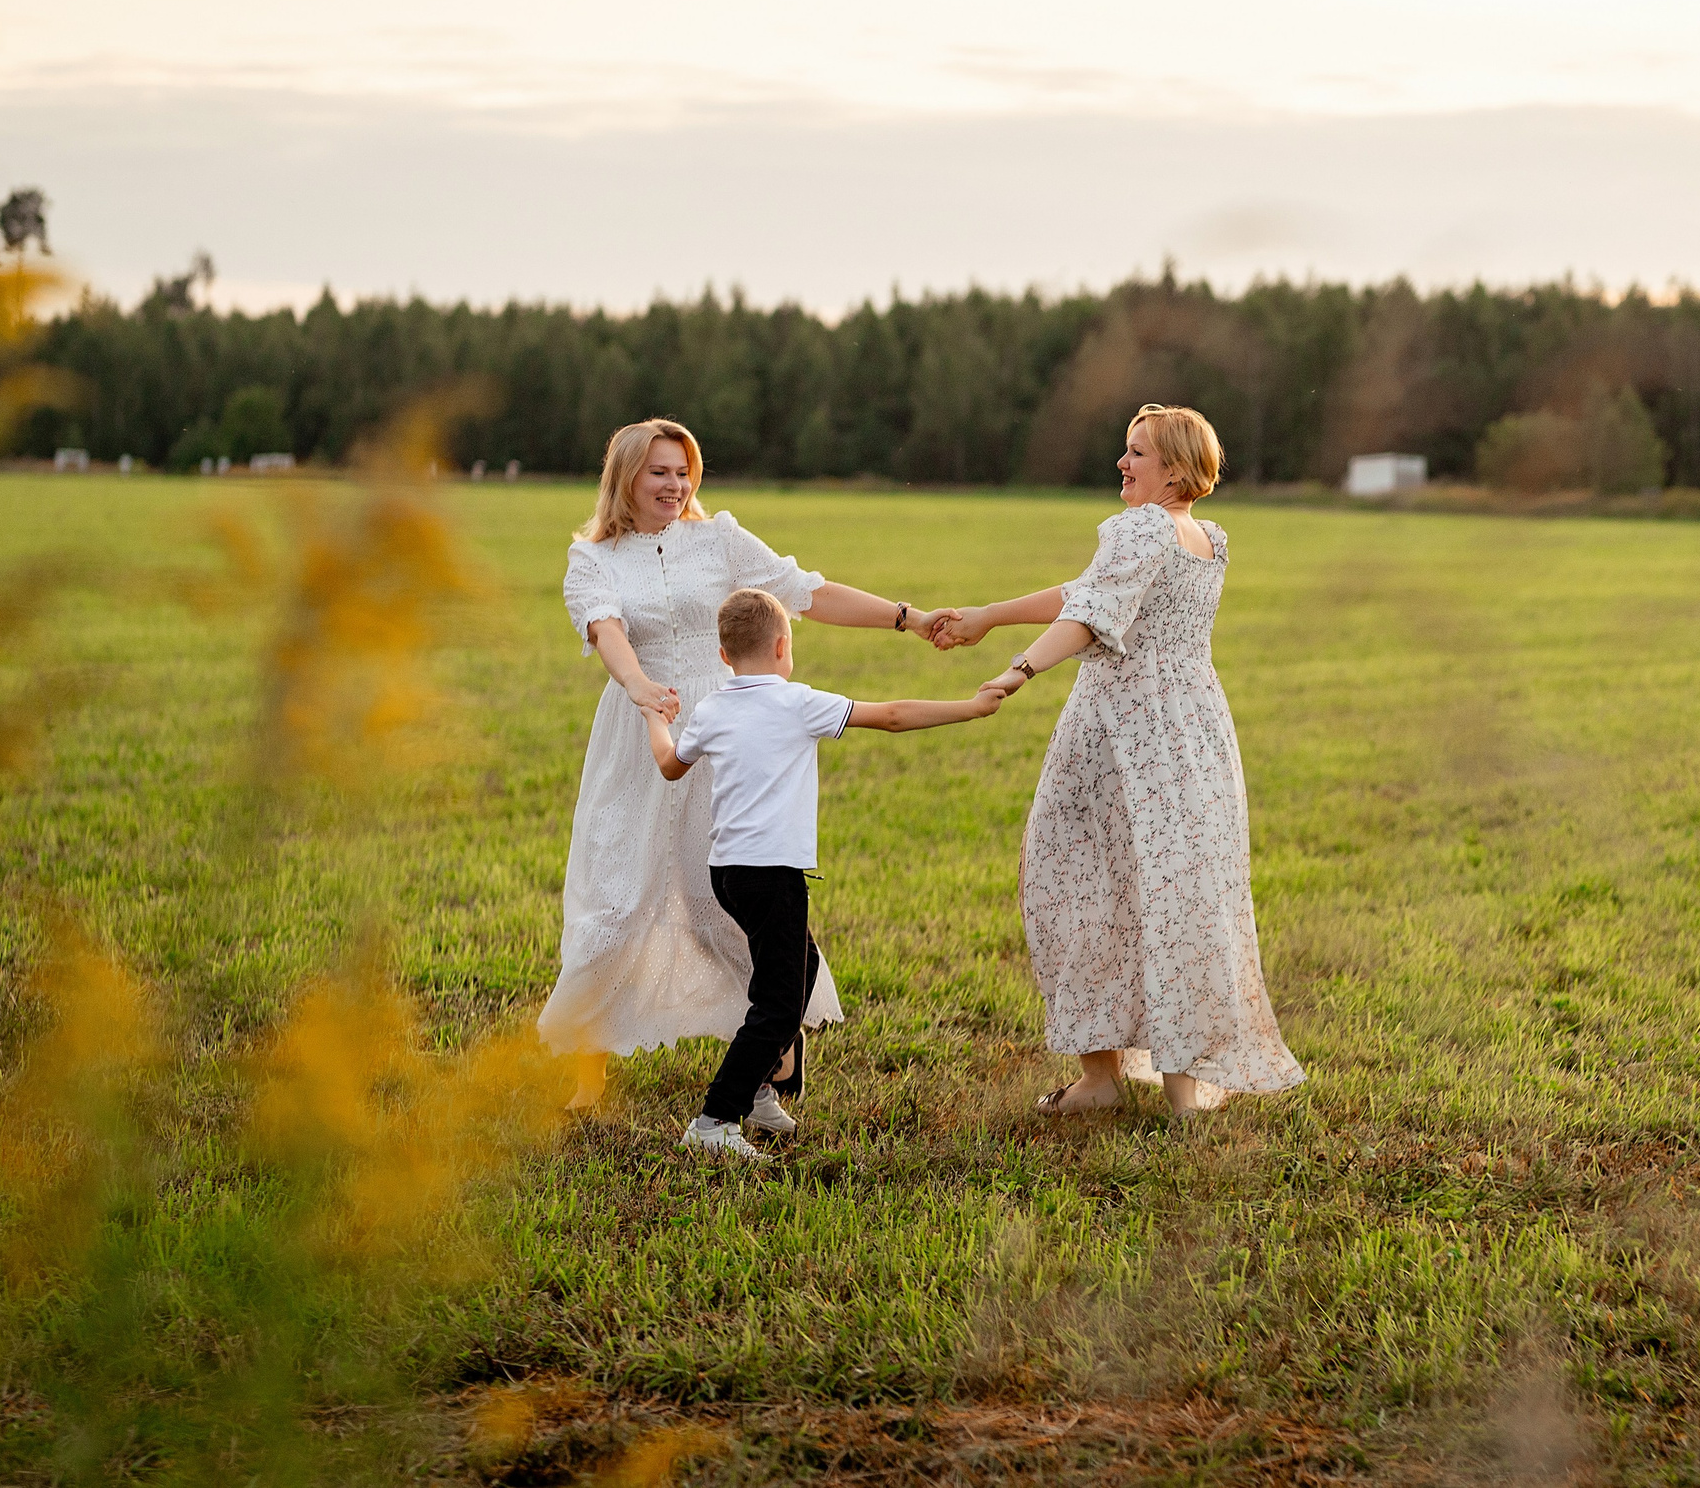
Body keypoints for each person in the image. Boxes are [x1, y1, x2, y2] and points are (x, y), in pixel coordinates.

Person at [543, 418, 945, 1112]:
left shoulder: (719, 537)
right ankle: (587, 1068)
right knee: (615, 897)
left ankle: (766, 1070)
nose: (675, 485)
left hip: (730, 735)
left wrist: (908, 616)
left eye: (683, 471)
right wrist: (640, 689)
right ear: (626, 477)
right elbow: (605, 628)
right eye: (659, 472)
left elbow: (807, 592)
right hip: (642, 733)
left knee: (730, 909)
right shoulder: (594, 559)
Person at [936, 404, 1303, 1116]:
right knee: (1175, 893)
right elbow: (1090, 590)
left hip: (1120, 729)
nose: (1122, 463)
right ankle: (1180, 1090)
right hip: (1192, 731)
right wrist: (988, 612)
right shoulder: (1205, 538)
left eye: (1136, 452)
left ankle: (1102, 1077)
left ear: (1174, 468)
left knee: (1075, 875)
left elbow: (1088, 617)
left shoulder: (1141, 526)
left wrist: (1018, 669)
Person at [645, 588, 1005, 1159]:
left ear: (723, 655)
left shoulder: (712, 707)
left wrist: (654, 718)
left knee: (800, 971)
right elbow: (888, 716)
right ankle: (715, 1119)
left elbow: (669, 766)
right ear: (784, 646)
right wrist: (970, 706)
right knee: (781, 1003)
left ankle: (761, 1088)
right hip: (771, 874)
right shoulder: (796, 702)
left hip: (729, 874)